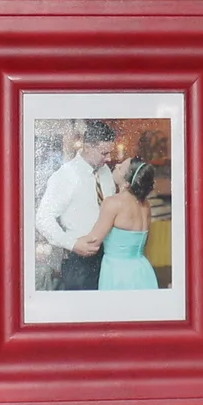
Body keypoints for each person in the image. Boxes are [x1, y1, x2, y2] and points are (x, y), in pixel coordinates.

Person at [35, 121, 117, 291]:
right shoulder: (66, 176)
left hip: (109, 256)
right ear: (88, 147)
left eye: (110, 152)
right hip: (79, 262)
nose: (109, 158)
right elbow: (43, 218)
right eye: (104, 153)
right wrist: (72, 244)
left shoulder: (106, 171)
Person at [77, 159, 161, 291]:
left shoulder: (113, 203)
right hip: (142, 270)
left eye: (121, 167)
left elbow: (93, 241)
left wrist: (68, 240)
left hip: (118, 272)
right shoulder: (146, 205)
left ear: (127, 183)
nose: (116, 165)